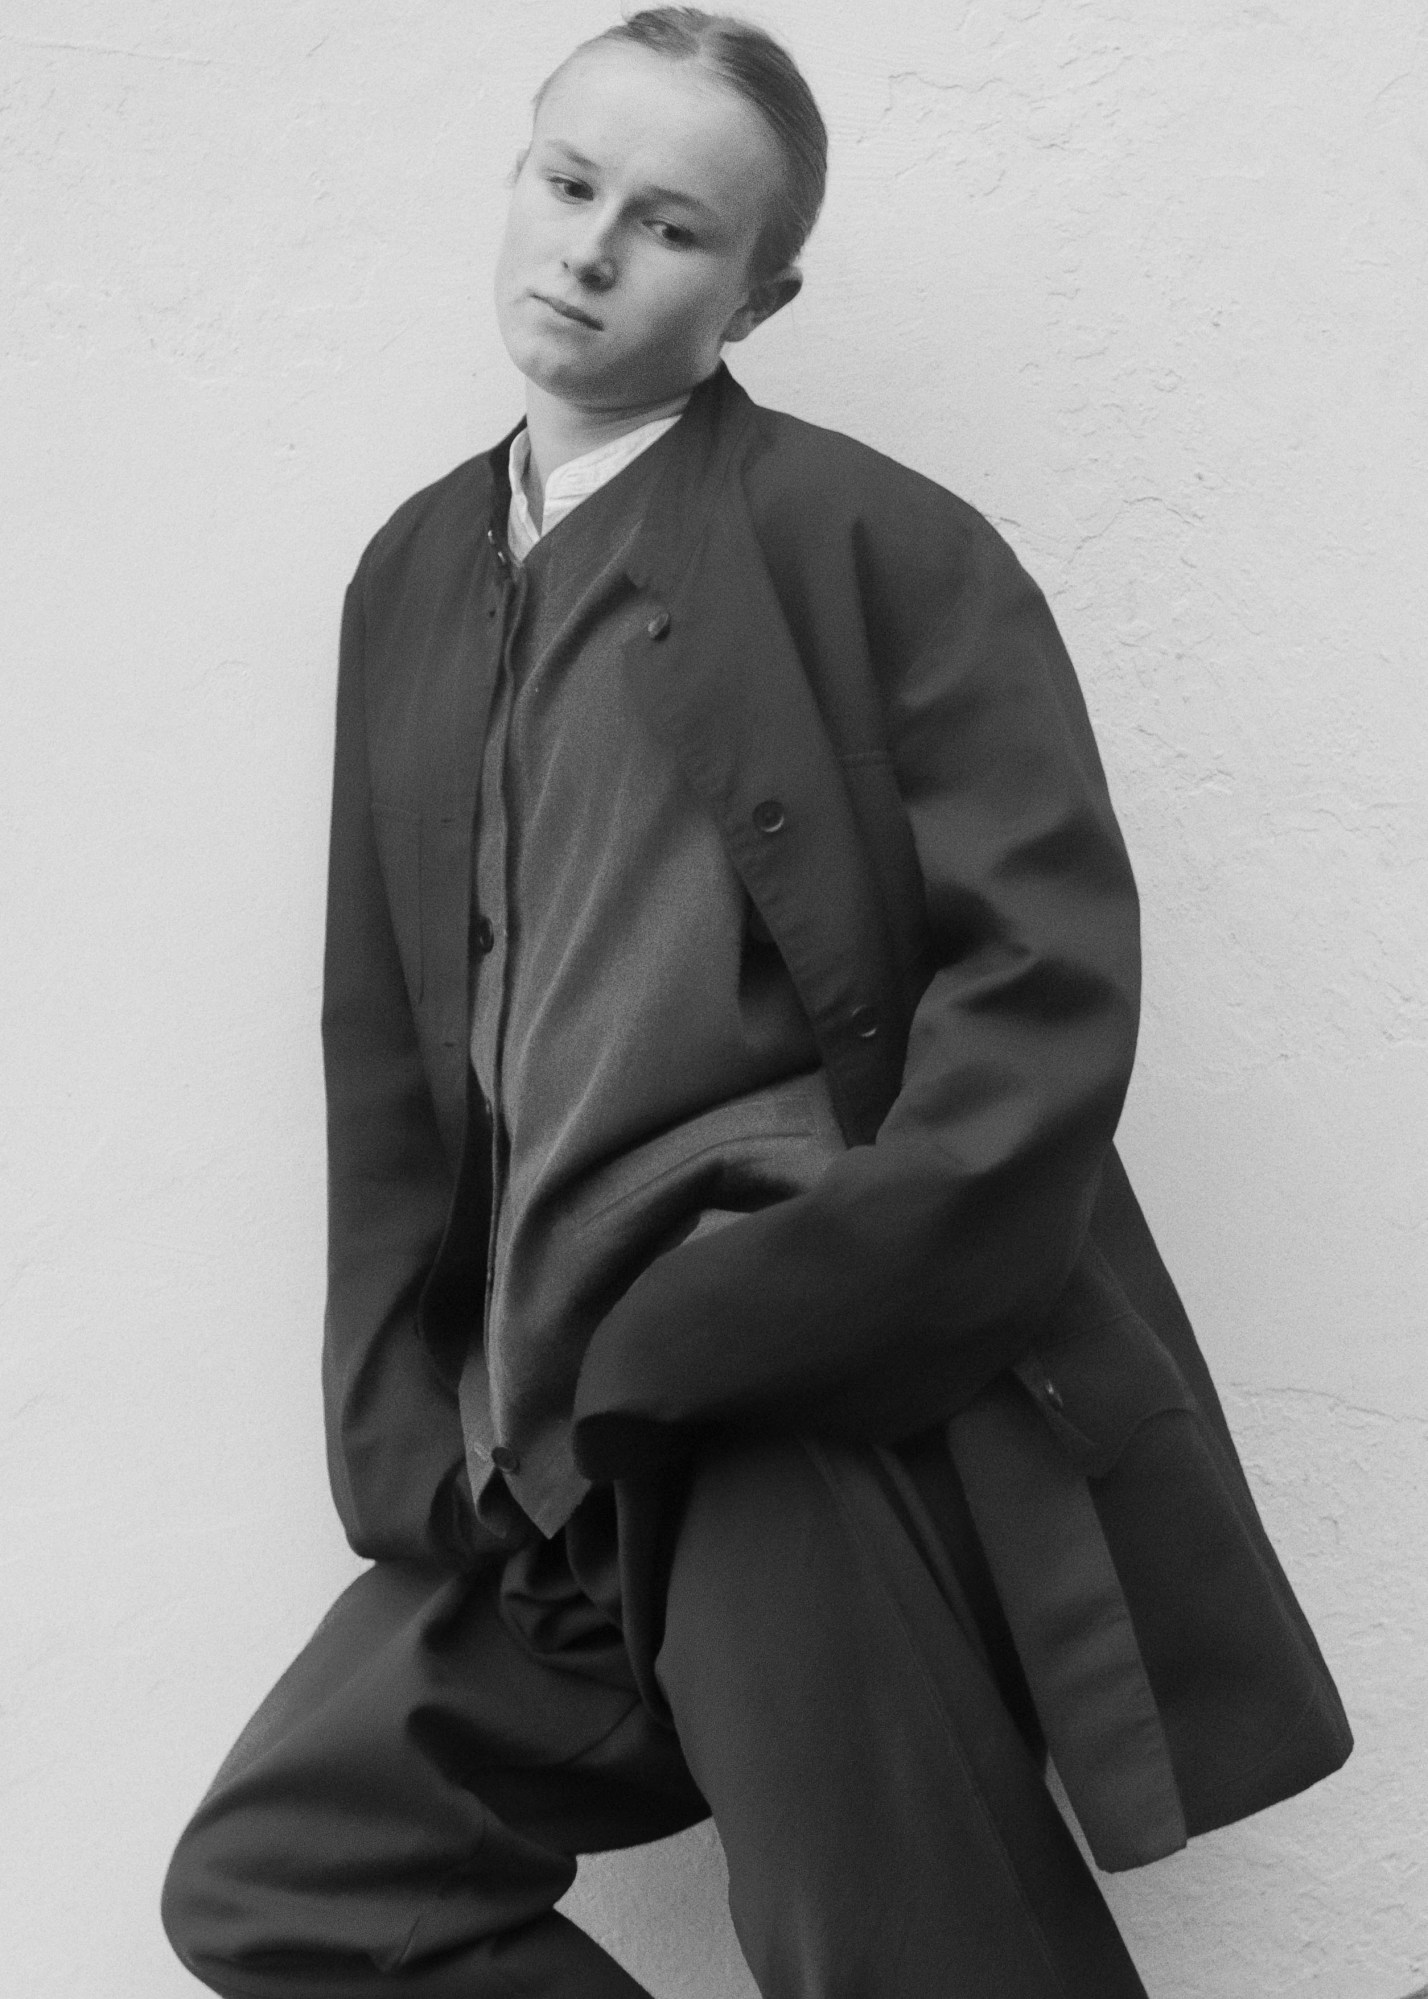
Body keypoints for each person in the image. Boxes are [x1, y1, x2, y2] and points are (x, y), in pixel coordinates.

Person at [161, 11, 1351, 1996]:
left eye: (673, 226)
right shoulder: (409, 578)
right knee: (296, 1871)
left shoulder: (877, 543)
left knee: (917, 1954)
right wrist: (405, 1422)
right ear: (517, 177)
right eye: (568, 184)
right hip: (547, 1443)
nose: (594, 249)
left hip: (779, 1388)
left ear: (758, 287)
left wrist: (779, 1299)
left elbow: (1042, 992)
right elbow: (385, 1047)